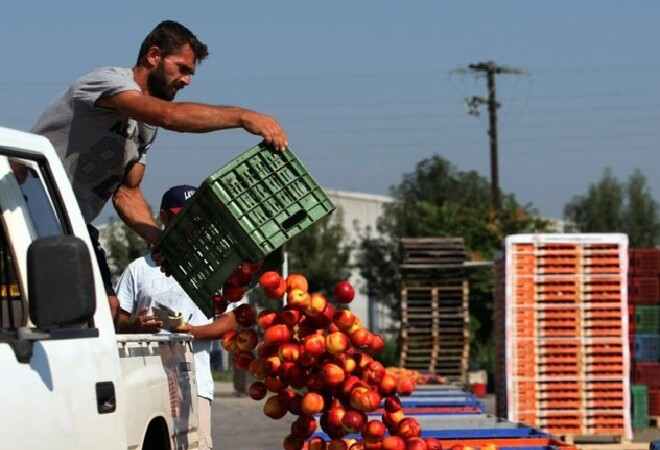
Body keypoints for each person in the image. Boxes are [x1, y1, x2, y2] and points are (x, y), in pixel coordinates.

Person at [30, 20, 287, 322]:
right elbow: (169, 116)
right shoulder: (107, 82)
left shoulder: (145, 127)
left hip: (72, 225)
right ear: (154, 56)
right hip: (25, 211)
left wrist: (162, 242)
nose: (187, 80)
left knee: (108, 310)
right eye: (182, 68)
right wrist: (242, 116)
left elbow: (127, 192)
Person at [115, 184, 240, 450]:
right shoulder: (138, 269)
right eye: (179, 217)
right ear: (163, 217)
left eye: (194, 219)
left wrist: (190, 332)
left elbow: (231, 319)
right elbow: (117, 320)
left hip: (194, 381)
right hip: (144, 381)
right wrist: (135, 325)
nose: (188, 225)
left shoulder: (214, 268)